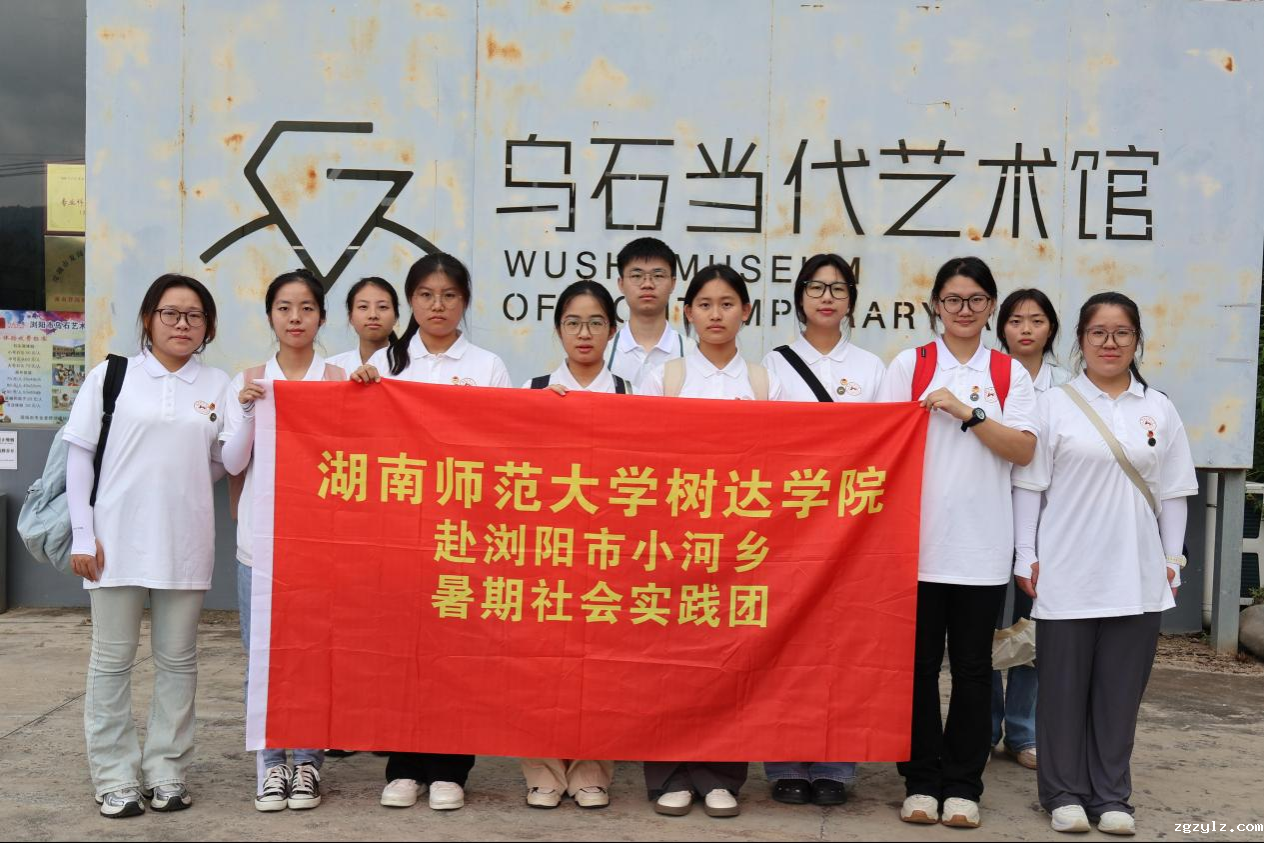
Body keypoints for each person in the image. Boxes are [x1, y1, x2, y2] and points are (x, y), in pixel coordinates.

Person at [1012, 292, 1196, 836]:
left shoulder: (1158, 407)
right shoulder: (1054, 405)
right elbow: (1029, 486)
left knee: (1120, 693)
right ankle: (1063, 794)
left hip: (1137, 573)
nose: (1110, 343)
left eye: (1121, 333)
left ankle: (1112, 794)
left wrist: (1172, 559)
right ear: (1080, 340)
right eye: (1098, 332)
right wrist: (1027, 553)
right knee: (1063, 690)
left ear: (1137, 340)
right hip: (1067, 570)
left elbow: (1175, 492)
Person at [876, 257, 1037, 829]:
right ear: (935, 306)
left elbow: (1023, 450)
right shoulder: (910, 364)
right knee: (917, 669)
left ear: (990, 306)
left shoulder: (1008, 373)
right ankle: (920, 781)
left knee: (973, 670)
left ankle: (964, 786)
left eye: (974, 300)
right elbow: (879, 445)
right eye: (952, 300)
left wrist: (967, 412)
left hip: (982, 546)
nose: (963, 310)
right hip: (914, 546)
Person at [65, 274, 229, 817]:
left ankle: (167, 771)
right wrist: (83, 534)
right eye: (170, 313)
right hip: (114, 542)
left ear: (207, 326)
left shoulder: (219, 385)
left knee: (178, 662)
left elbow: (220, 462)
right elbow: (79, 455)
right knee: (112, 662)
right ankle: (114, 776)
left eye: (194, 315)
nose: (182, 324)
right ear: (147, 319)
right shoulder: (113, 376)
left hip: (185, 542)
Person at [352, 253, 511, 810]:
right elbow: (361, 442)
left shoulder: (488, 365)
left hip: (464, 531)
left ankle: (450, 768)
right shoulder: (388, 362)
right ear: (411, 302)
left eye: (448, 295)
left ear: (464, 301)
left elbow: (503, 443)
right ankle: (403, 766)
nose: (437, 305)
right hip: (400, 529)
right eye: (425, 295)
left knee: (456, 652)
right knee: (402, 649)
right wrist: (361, 388)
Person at [638, 263, 780, 819]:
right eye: (704, 304)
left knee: (731, 658)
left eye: (727, 304)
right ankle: (669, 773)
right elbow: (639, 457)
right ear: (687, 313)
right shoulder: (665, 377)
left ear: (746, 311)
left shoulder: (765, 382)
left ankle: (722, 775)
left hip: (743, 544)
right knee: (670, 660)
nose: (716, 314)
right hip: (675, 541)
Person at [758, 253, 882, 806]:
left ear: (852, 300)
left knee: (843, 646)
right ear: (799, 297)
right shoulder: (774, 365)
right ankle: (785, 762)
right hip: (790, 524)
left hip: (853, 528)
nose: (827, 297)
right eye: (816, 287)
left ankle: (835, 766)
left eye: (838, 288)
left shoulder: (873, 368)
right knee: (786, 643)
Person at [220, 269, 345, 813]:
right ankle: (271, 764)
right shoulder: (248, 380)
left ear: (321, 317)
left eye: (307, 308)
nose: (296, 318)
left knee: (313, 656)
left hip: (320, 547)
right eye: (285, 308)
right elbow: (232, 462)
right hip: (260, 545)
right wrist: (249, 410)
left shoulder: (338, 378)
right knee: (262, 660)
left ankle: (308, 763)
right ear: (270, 316)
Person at [517, 280, 624, 809]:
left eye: (596, 322)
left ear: (612, 330)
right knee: (540, 664)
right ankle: (542, 770)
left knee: (602, 665)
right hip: (546, 549)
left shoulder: (631, 393)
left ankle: (592, 771)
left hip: (610, 548)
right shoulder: (534, 389)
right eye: (573, 323)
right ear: (558, 329)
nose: (585, 333)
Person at [990, 288, 1068, 771]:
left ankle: (1023, 730)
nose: (1025, 329)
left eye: (1036, 320)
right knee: (982, 625)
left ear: (1051, 328)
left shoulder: (1068, 387)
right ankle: (982, 726)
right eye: (1016, 320)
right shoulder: (988, 378)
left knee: (1035, 624)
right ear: (1001, 328)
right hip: (989, 511)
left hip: (1050, 520)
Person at [608, 237, 685, 389]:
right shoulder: (604, 353)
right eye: (637, 276)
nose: (647, 284)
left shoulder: (692, 352)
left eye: (658, 276)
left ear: (673, 283)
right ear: (621, 284)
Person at [326, 276, 400, 376]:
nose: (373, 315)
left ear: (396, 317)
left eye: (382, 307)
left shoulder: (412, 367)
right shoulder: (330, 369)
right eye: (363, 307)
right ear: (350, 317)